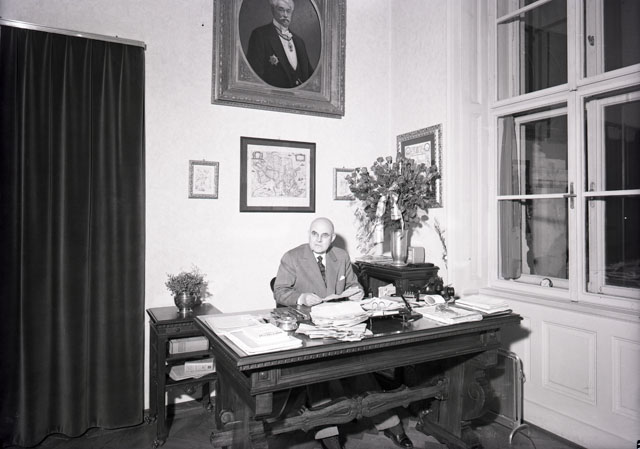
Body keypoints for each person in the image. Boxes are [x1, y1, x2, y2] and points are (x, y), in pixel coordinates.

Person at [273, 217, 414, 449]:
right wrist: (301, 297)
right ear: (309, 234)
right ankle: (329, 435)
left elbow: (353, 284)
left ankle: (390, 423)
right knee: (319, 378)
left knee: (359, 369)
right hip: (309, 328)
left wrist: (357, 291)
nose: (318, 240)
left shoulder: (341, 256)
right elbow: (279, 291)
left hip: (341, 325)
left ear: (332, 238)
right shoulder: (292, 257)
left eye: (324, 235)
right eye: (314, 234)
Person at [246, 0, 315, 88]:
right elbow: (255, 76)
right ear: (273, 10)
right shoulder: (260, 35)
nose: (285, 15)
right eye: (281, 10)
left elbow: (309, 76)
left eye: (288, 11)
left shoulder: (299, 42)